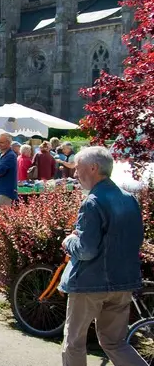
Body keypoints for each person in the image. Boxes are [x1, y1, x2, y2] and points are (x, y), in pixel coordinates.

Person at [59, 146, 146, 366]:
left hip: (90, 283)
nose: (75, 174)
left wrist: (69, 241)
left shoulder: (92, 202)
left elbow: (86, 250)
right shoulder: (129, 199)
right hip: (123, 281)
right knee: (115, 343)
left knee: (74, 343)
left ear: (93, 168)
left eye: (78, 169)